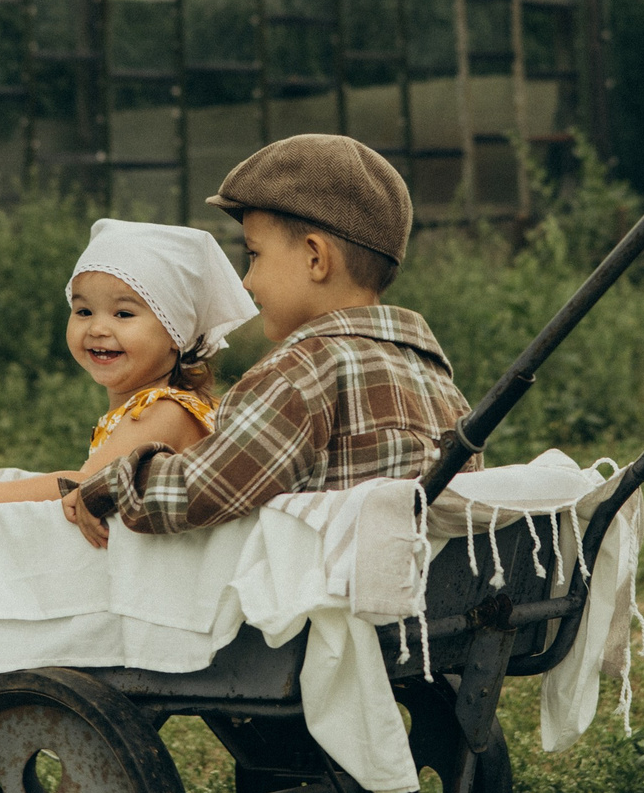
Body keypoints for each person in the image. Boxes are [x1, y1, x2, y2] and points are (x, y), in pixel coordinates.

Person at [68, 133, 472, 545]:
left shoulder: (303, 374)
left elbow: (203, 488)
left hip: (327, 582)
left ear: (315, 258)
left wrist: (108, 485)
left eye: (254, 255)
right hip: (419, 579)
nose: (247, 281)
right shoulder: (436, 379)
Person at [0, 218, 257, 532]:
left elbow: (86, 483)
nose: (97, 328)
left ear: (175, 332)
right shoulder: (149, 405)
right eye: (84, 311)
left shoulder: (162, 410)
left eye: (123, 314)